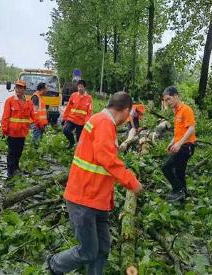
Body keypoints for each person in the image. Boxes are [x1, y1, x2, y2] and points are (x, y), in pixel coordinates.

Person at [48, 92, 142, 275]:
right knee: (88, 251)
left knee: (103, 248)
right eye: (129, 115)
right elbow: (107, 159)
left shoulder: (100, 120)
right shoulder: (104, 123)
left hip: (96, 198)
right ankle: (54, 265)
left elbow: (102, 162)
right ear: (125, 110)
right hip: (84, 198)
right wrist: (132, 183)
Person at [161, 86, 196, 202]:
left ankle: (178, 189)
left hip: (186, 147)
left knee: (166, 167)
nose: (167, 102)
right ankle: (183, 196)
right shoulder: (176, 111)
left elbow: (191, 129)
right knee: (180, 171)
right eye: (165, 100)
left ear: (176, 96)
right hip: (181, 145)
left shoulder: (186, 109)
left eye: (168, 99)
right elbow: (179, 132)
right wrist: (172, 143)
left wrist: (179, 144)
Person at [1, 80, 35, 178]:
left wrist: (35, 123)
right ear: (15, 88)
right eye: (17, 87)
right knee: (12, 153)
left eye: (21, 88)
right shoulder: (10, 101)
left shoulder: (29, 102)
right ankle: (10, 171)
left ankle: (16, 167)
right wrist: (4, 130)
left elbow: (33, 116)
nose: (18, 89)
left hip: (22, 133)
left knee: (19, 152)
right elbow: (5, 117)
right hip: (12, 132)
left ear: (24, 89)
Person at [62, 80, 92, 148]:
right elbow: (68, 108)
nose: (79, 88)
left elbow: (89, 112)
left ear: (84, 87)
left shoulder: (89, 98)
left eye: (81, 87)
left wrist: (86, 123)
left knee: (79, 139)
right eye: (78, 87)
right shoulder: (73, 95)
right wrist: (64, 118)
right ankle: (71, 142)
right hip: (71, 119)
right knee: (65, 130)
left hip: (81, 122)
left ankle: (78, 150)